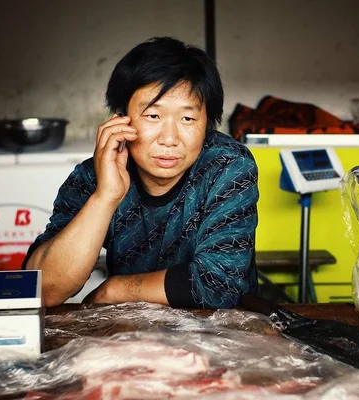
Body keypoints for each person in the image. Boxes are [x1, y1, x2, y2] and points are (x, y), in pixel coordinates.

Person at [23, 37, 259, 309]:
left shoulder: (227, 167)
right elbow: (45, 289)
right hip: (127, 335)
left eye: (187, 119)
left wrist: (116, 289)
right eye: (153, 116)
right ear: (121, 118)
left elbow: (218, 284)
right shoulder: (94, 176)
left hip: (220, 334)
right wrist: (105, 197)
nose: (169, 139)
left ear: (208, 124)